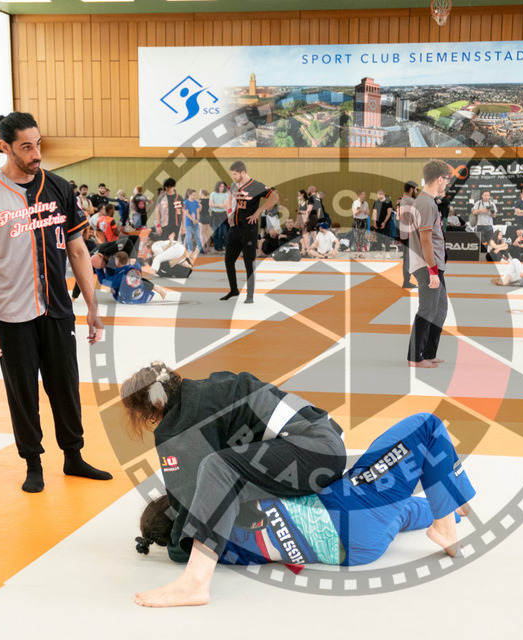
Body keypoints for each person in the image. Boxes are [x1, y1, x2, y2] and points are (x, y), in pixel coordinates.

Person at [133, 412, 474, 599]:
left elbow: (180, 547)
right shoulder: (224, 501)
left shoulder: (211, 549)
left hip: (357, 551)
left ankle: (445, 510)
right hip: (346, 508)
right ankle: (445, 521)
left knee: (402, 507)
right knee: (427, 427)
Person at [120, 362, 348, 608]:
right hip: (324, 446)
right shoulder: (207, 390)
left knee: (220, 467)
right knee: (225, 474)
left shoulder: (179, 423)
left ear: (154, 408)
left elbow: (186, 502)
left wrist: (177, 547)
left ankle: (195, 582)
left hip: (314, 453)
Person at [0, 111, 111, 494]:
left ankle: (74, 456)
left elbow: (78, 251)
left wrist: (92, 305)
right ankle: (33, 463)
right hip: (12, 314)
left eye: (38, 144)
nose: (36, 154)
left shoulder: (59, 188)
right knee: (23, 391)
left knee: (66, 385)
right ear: (5, 147)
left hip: (57, 309)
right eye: (26, 147)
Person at [407, 160, 450, 369]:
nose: (447, 185)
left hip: (433, 264)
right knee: (427, 308)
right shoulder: (425, 202)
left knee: (440, 309)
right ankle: (415, 356)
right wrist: (432, 271)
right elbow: (425, 239)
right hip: (426, 265)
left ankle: (428, 352)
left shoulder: (429, 202)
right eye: (447, 180)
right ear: (439, 179)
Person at [223, 160, 278, 304]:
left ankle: (250, 295)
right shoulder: (235, 185)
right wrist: (229, 213)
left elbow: (274, 197)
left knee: (249, 262)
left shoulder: (256, 185)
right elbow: (229, 198)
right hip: (235, 228)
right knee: (229, 260)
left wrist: (259, 210)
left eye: (235, 174)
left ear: (242, 172)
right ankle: (233, 289)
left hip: (249, 228)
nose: (233, 177)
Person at [397, 180, 418, 289]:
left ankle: (407, 280)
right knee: (409, 259)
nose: (417, 191)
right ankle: (406, 281)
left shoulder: (402, 200)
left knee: (407, 258)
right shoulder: (410, 201)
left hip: (404, 232)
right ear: (411, 189)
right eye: (416, 189)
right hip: (410, 233)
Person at [209, 181, 230, 252]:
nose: (222, 188)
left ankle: (226, 246)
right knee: (216, 231)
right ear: (217, 186)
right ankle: (217, 246)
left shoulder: (225, 195)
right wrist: (219, 205)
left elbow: (225, 205)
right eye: (220, 186)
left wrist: (216, 204)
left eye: (223, 186)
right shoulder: (213, 194)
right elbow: (210, 204)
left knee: (224, 231)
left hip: (223, 214)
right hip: (215, 214)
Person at [182, 188, 201, 254]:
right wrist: (193, 219)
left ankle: (199, 248)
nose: (194, 196)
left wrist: (197, 220)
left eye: (195, 195)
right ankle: (190, 250)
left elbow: (197, 211)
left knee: (197, 236)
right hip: (188, 222)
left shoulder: (195, 202)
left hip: (195, 222)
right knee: (189, 237)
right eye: (193, 195)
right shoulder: (186, 203)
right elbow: (186, 213)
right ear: (189, 195)